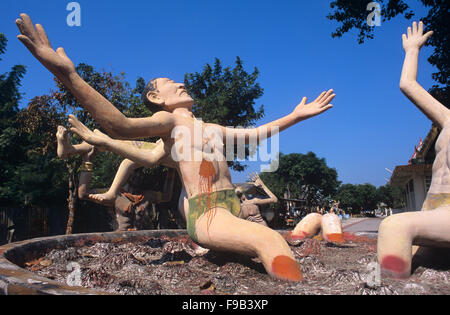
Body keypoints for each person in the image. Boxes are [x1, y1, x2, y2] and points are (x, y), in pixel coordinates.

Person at [16, 14, 335, 281]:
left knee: (305, 229)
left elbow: (254, 135)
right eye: (171, 83)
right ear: (158, 99)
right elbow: (119, 125)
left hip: (232, 209)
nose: (181, 83)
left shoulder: (210, 128)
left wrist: (295, 116)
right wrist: (68, 74)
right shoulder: (169, 123)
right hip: (208, 213)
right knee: (268, 239)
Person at [377, 21, 450, 279]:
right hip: (434, 212)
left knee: (394, 226)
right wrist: (412, 50)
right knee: (420, 261)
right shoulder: (447, 118)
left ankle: (390, 287)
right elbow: (408, 85)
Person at [56, 125, 175, 231]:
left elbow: (167, 196)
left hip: (143, 240)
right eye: (135, 173)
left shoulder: (146, 196)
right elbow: (83, 193)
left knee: (133, 148)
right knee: (130, 149)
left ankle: (71, 149)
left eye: (140, 173)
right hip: (121, 239)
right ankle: (71, 149)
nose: (138, 177)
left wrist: (172, 170)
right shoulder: (117, 195)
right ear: (128, 175)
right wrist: (87, 161)